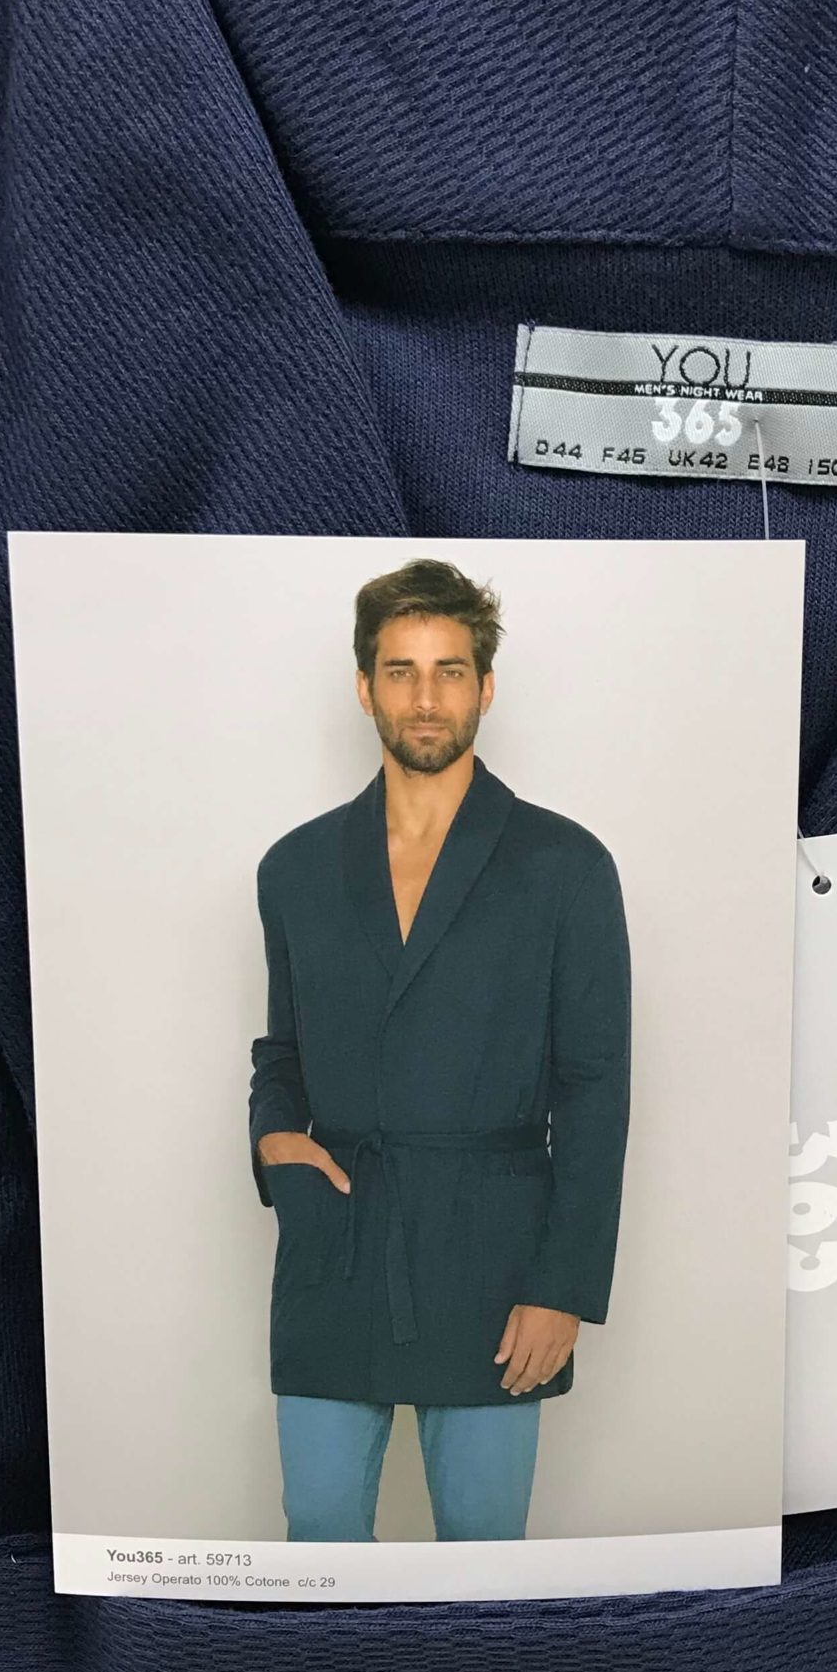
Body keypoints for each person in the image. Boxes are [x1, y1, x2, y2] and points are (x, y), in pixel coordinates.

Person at [249, 559, 631, 1544]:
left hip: (493, 1258)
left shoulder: (565, 866)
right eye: (402, 670)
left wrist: (562, 1287)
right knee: (319, 1542)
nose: (426, 698)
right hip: (335, 1246)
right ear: (364, 686)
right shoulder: (294, 868)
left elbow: (595, 1087)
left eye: (450, 671)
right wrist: (274, 1140)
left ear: (485, 687)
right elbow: (282, 1049)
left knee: (482, 1557)